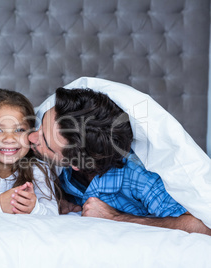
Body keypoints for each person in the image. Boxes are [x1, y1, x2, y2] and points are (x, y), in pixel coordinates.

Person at [28, 87, 211, 235]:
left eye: (44, 141)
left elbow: (202, 226)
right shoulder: (56, 164)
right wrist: (56, 199)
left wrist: (116, 217)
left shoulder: (140, 177)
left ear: (76, 163)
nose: (31, 137)